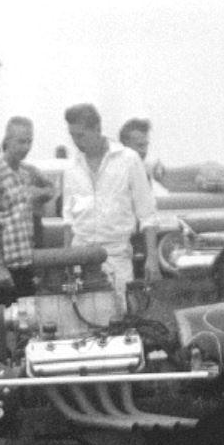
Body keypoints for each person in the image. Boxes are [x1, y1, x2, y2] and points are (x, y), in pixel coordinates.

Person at [63, 103, 160, 314]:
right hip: (81, 258)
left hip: (116, 256)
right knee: (82, 318)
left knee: (122, 316)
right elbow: (68, 220)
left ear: (97, 129)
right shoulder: (71, 169)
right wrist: (66, 262)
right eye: (72, 136)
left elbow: (147, 215)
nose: (76, 142)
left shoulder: (128, 160)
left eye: (81, 135)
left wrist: (152, 258)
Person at [0, 117, 43, 358]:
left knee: (26, 323)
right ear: (6, 141)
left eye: (29, 141)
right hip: (2, 265)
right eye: (20, 141)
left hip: (24, 262)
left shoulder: (25, 174)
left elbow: (46, 192)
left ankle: (22, 367)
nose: (25, 147)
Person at [119, 117, 166, 278]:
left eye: (146, 145)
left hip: (139, 239)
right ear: (125, 144)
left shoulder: (143, 172)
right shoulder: (116, 173)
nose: (144, 150)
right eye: (139, 146)